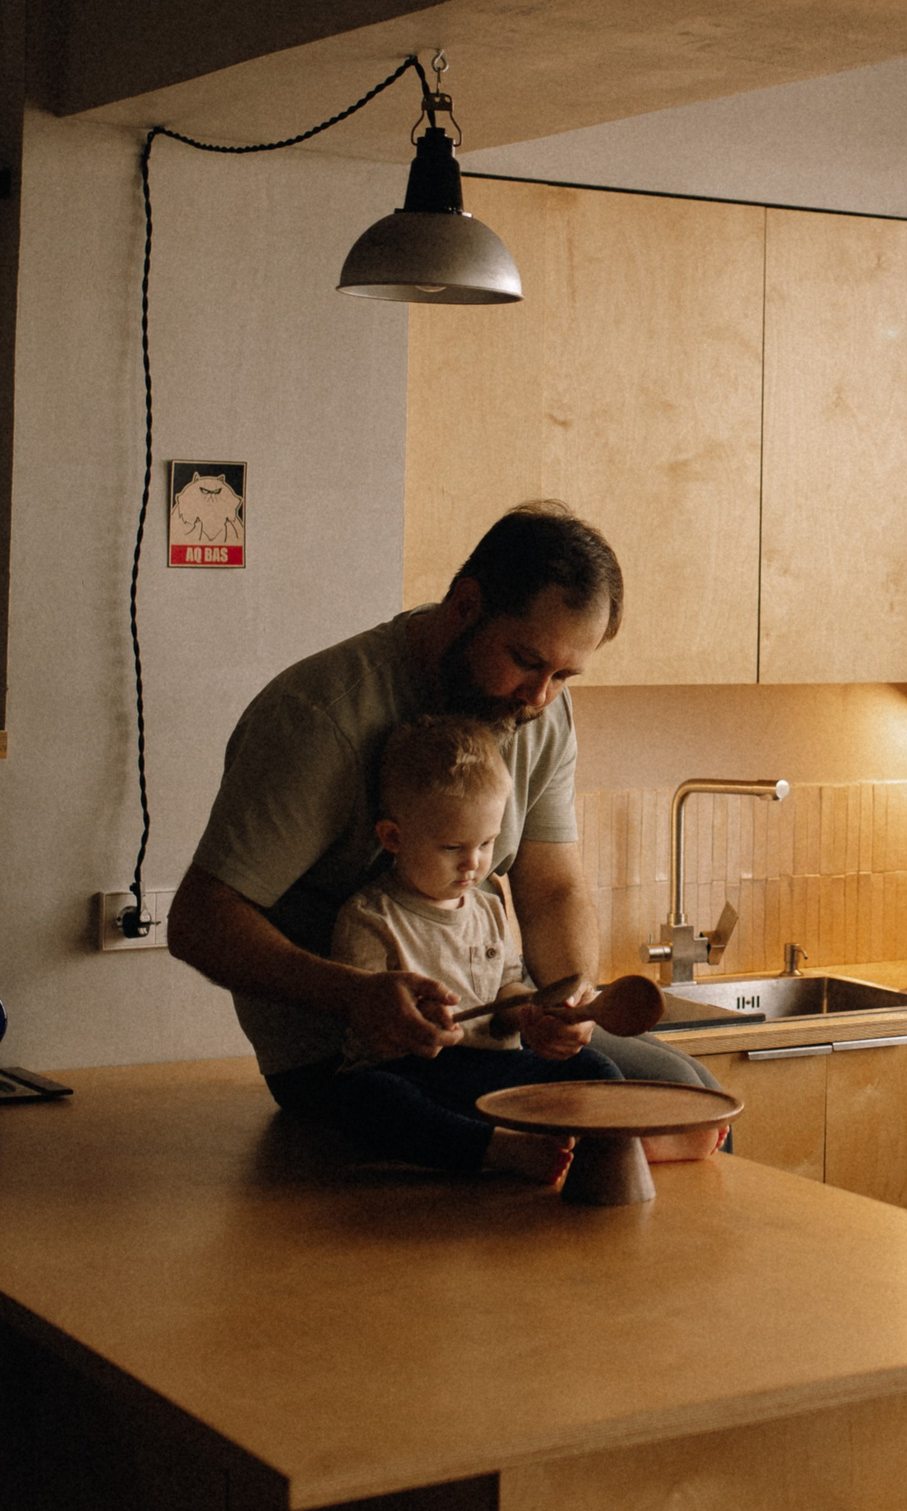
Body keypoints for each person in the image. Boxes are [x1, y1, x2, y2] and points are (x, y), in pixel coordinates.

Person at [170, 500, 723, 1125]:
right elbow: (198, 919)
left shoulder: (537, 713)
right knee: (641, 1111)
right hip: (344, 1060)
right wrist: (355, 996)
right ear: (465, 605)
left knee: (695, 1093)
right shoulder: (320, 718)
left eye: (565, 675)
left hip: (490, 1034)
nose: (540, 696)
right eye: (527, 660)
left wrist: (566, 1003)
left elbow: (553, 889)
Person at [326, 714, 624, 1184]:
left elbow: (505, 989)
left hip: (493, 1066)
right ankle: (496, 1148)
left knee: (595, 1069)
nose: (473, 863)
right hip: (414, 1071)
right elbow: (363, 1015)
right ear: (393, 838)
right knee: (366, 1098)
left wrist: (527, 1015)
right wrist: (417, 1019)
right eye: (452, 847)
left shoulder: (487, 907)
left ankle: (625, 1143)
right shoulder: (369, 917)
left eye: (486, 843)